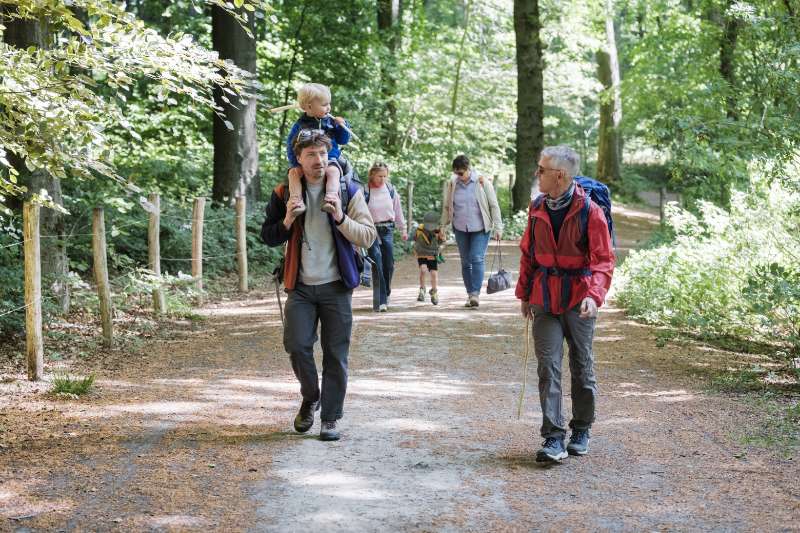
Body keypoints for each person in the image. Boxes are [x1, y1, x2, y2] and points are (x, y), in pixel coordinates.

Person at [261, 130, 376, 441]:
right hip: (299, 286)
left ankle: (329, 418)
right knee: (296, 345)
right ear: (298, 158)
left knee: (336, 354)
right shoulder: (285, 191)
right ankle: (311, 396)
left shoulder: (348, 190)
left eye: (324, 154)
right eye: (311, 154)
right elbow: (268, 235)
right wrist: (286, 220)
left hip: (337, 286)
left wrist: (340, 217)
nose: (319, 160)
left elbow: (368, 235)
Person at [516, 145, 615, 462]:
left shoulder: (590, 212)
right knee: (548, 367)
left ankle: (582, 428)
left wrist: (594, 295)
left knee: (581, 366)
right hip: (545, 298)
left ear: (559, 175)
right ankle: (553, 439)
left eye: (541, 170)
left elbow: (603, 260)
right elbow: (528, 253)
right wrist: (524, 294)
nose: (537, 174)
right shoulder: (537, 207)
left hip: (579, 298)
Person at [441, 154, 503, 308]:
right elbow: (447, 206)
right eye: (456, 173)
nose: (458, 176)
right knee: (465, 261)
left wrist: (498, 227)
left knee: (476, 258)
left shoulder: (482, 182)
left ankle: (475, 294)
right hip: (460, 227)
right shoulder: (452, 184)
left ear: (468, 169)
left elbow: (494, 205)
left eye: (461, 173)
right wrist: (442, 226)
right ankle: (470, 294)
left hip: (480, 227)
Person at [285, 83, 352, 216]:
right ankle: (296, 201)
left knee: (332, 171)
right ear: (308, 106)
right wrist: (296, 163)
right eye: (324, 104)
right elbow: (290, 145)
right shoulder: (300, 125)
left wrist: (342, 126)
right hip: (306, 161)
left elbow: (343, 140)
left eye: (329, 104)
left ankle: (331, 198)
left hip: (330, 158)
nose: (329, 108)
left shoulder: (331, 123)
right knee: (293, 173)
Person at [364, 162, 407, 312]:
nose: (383, 179)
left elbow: (398, 210)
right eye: (379, 176)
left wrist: (403, 229)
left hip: (388, 228)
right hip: (371, 231)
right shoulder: (365, 190)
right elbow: (358, 213)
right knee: (377, 263)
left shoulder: (390, 190)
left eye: (385, 176)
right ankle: (381, 300)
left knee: (389, 264)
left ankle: (386, 292)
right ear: (372, 175)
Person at [412, 212, 445, 305]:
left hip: (432, 255)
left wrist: (441, 245)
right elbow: (413, 239)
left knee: (434, 274)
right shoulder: (419, 229)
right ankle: (422, 289)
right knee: (423, 269)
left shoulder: (438, 230)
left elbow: (442, 242)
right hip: (422, 254)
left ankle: (434, 291)